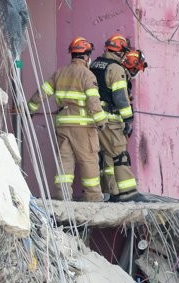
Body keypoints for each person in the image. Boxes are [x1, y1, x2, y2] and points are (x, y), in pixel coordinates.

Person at [27, 37, 107, 201]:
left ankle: (63, 196)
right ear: (85, 56)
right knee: (89, 160)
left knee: (65, 161)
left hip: (63, 125)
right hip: (83, 127)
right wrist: (101, 122)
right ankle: (94, 197)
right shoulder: (87, 75)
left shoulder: (59, 73)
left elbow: (42, 93)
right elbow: (93, 101)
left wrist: (30, 109)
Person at [89, 34, 144, 202]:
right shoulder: (116, 69)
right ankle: (129, 193)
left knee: (105, 157)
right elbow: (120, 98)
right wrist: (128, 119)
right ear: (121, 51)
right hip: (110, 119)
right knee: (120, 154)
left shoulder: (95, 65)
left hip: (93, 118)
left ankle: (111, 192)